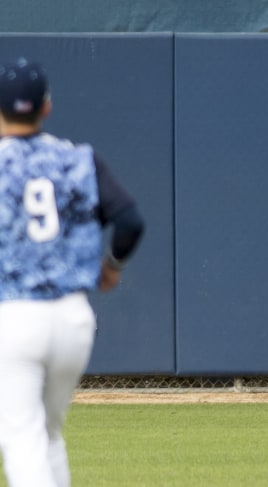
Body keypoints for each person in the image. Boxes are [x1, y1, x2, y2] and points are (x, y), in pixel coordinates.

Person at [0, 58, 144, 487]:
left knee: (23, 441)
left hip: (16, 319)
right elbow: (131, 221)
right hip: (73, 318)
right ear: (46, 106)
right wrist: (112, 266)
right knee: (48, 436)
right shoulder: (77, 158)